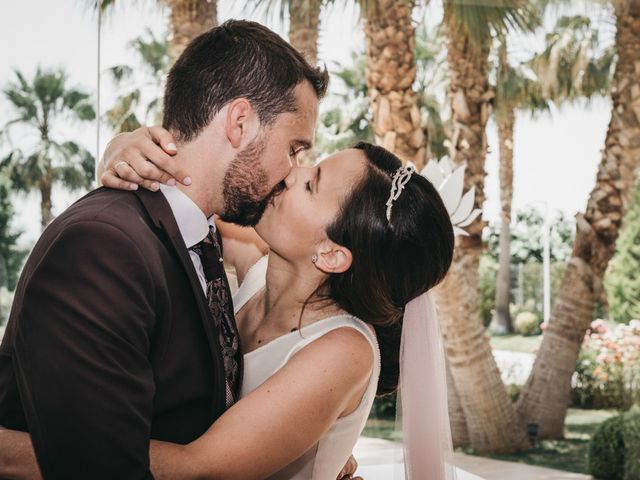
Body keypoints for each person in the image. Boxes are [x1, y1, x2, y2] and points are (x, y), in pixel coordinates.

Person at [0, 139, 456, 479]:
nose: (293, 170)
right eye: (309, 162)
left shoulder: (343, 351)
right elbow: (195, 194)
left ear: (331, 253)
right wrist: (123, 147)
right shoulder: (257, 266)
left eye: (312, 184)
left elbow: (200, 470)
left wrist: (8, 451)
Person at [0, 19, 330, 479]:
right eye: (294, 148)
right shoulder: (104, 247)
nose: (293, 170)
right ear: (239, 122)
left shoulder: (204, 236)